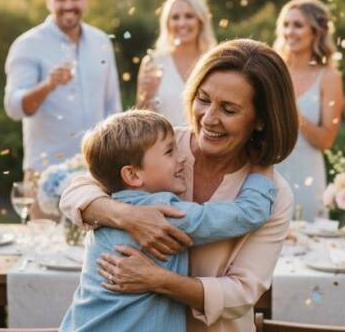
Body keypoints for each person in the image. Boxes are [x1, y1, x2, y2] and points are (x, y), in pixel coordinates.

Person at [60, 39, 298, 332]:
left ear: (261, 119)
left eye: (229, 109)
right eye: (203, 99)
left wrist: (156, 279)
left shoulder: (273, 191)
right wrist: (129, 218)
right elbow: (76, 190)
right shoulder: (163, 146)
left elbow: (241, 294)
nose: (209, 118)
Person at [60, 110, 277, 332]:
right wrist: (261, 170)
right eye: (169, 152)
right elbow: (248, 214)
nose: (182, 156)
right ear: (133, 176)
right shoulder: (164, 214)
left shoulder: (102, 208)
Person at [5, 0, 121, 172]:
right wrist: (48, 85)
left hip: (96, 169)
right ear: (48, 1)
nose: (68, 5)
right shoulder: (27, 45)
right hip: (46, 171)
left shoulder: (101, 41)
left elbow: (112, 105)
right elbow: (14, 108)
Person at [272, 0, 344, 221]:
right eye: (286, 24)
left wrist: (293, 114)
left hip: (307, 175)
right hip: (269, 173)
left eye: (298, 25)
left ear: (316, 31)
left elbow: (326, 141)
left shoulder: (329, 77)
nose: (289, 31)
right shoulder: (272, 70)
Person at [136, 0, 218, 126]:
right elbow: (139, 120)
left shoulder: (214, 61)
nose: (182, 23)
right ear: (167, 24)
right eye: (175, 17)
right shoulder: (153, 62)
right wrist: (147, 96)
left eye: (189, 16)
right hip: (165, 145)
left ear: (201, 21)